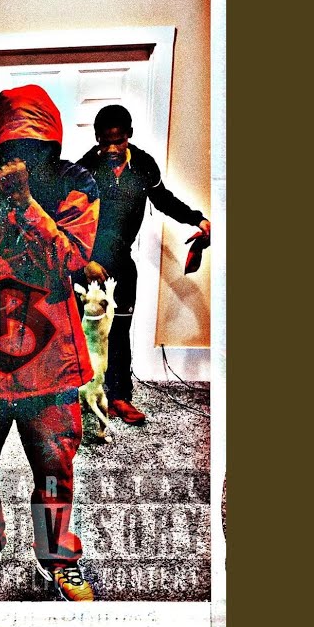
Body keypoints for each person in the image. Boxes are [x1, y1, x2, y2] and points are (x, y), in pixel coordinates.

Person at [0, 84, 104, 601]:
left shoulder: (75, 183)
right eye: (11, 148)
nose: (20, 158)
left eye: (33, 148)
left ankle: (57, 556)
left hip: (51, 363)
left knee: (55, 464)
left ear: (51, 145)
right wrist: (28, 266)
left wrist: (26, 203)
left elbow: (69, 260)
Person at [77, 104, 212, 425]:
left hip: (122, 264)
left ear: (129, 135)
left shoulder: (143, 166)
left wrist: (198, 219)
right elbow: (69, 220)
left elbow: (163, 200)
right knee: (86, 333)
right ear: (96, 138)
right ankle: (83, 397)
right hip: (89, 264)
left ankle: (119, 398)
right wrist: (85, 261)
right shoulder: (84, 170)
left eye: (119, 141)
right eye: (105, 142)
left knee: (120, 331)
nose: (112, 149)